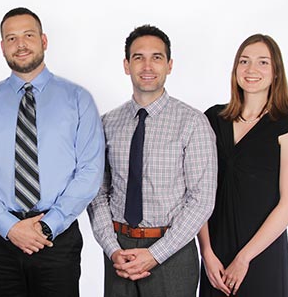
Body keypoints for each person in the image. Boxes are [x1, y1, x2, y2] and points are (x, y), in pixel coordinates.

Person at [0, 7, 104, 297]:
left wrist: (48, 226)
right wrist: (9, 226)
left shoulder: (78, 99)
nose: (20, 44)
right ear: (2, 47)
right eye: (11, 38)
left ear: (44, 40)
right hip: (0, 240)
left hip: (57, 239)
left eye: (28, 35)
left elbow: (90, 171)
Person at [87, 25, 217, 297]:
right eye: (138, 57)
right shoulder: (107, 123)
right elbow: (97, 193)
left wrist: (155, 254)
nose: (147, 66)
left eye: (157, 57)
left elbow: (201, 199)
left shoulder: (192, 123)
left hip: (172, 251)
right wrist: (112, 248)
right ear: (126, 65)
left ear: (169, 65)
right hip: (119, 251)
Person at [197, 34, 288, 297]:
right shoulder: (212, 118)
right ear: (235, 69)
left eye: (262, 62)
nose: (251, 69)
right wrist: (207, 253)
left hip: (261, 254)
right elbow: (198, 193)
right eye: (244, 61)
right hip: (216, 257)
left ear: (276, 72)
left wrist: (244, 258)